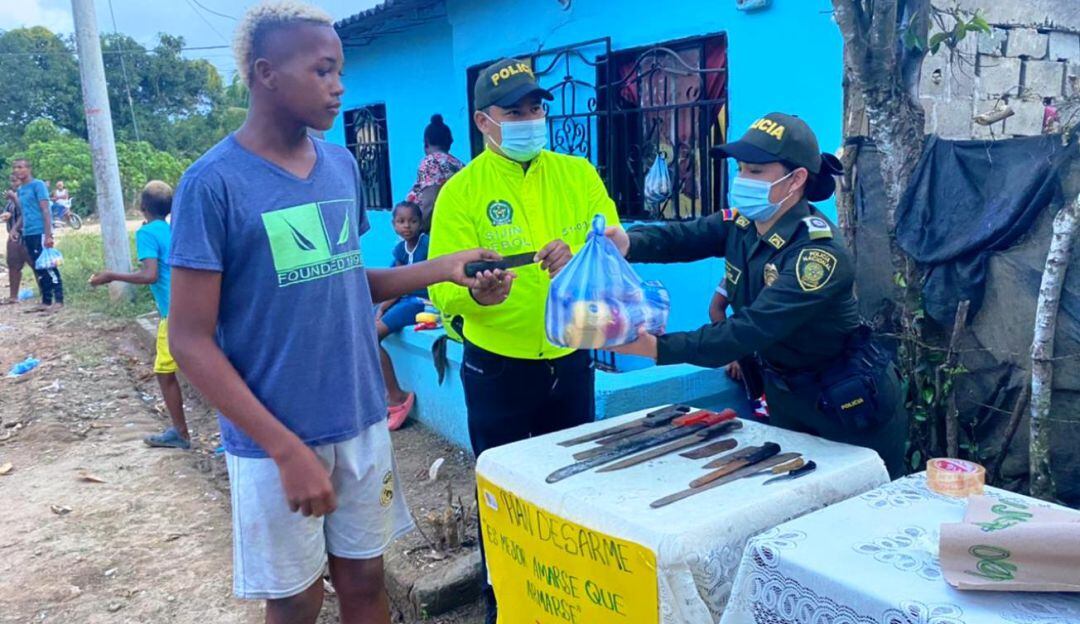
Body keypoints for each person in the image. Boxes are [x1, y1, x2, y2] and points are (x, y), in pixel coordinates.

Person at [166, 5, 500, 623]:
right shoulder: (212, 184)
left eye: (339, 70)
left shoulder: (341, 165)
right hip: (275, 438)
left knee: (366, 581)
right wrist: (284, 449)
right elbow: (188, 339)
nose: (338, 85)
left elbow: (343, 279)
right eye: (322, 70)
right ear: (266, 73)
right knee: (294, 600)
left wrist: (441, 266)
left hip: (359, 416)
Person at [427, 57, 622, 624]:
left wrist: (582, 246)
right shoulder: (462, 192)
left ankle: (570, 600)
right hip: (498, 368)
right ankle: (505, 602)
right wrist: (476, 297)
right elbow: (443, 285)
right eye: (515, 112)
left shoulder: (576, 172)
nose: (530, 119)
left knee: (571, 486)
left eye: (536, 108)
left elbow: (616, 236)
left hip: (571, 356)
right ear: (484, 121)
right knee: (503, 493)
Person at [605, 112, 907, 479]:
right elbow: (682, 237)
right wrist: (628, 243)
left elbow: (747, 331)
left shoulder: (817, 256)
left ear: (795, 180)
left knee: (859, 510)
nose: (742, 180)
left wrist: (655, 347)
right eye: (741, 169)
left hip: (846, 403)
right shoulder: (743, 223)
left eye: (755, 171)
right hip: (786, 395)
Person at [90, 181, 190, 449]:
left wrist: (111, 275)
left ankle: (180, 433)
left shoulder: (146, 234)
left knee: (164, 372)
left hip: (174, 314)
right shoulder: (172, 230)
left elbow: (150, 275)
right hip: (190, 307)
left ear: (141, 207)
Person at [375, 200, 428, 430]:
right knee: (365, 324)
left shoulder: (428, 244)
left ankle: (396, 397)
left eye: (413, 221)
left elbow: (403, 287)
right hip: (405, 299)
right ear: (394, 224)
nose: (407, 226)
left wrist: (385, 306)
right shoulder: (399, 250)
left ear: (421, 223)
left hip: (420, 302)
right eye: (401, 221)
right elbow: (394, 280)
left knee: (369, 338)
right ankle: (380, 394)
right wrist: (383, 305)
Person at [12, 159, 63, 310]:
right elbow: (24, 212)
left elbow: (45, 210)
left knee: (49, 266)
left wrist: (48, 235)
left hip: (40, 231)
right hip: (28, 232)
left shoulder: (38, 185)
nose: (17, 170)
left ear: (28, 168)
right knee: (38, 267)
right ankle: (46, 301)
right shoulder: (21, 190)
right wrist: (16, 229)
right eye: (15, 168)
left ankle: (58, 301)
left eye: (20, 167)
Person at [405, 113, 464, 231]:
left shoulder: (430, 162)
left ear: (426, 143)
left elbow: (429, 201)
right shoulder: (459, 165)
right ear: (450, 142)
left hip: (433, 230)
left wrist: (415, 232)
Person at [2, 174, 30, 304]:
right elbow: (11, 212)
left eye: (16, 180)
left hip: (27, 234)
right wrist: (6, 215)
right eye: (12, 181)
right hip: (14, 235)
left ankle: (45, 294)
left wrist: (14, 198)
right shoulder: (11, 199)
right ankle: (13, 296)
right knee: (13, 264)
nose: (13, 183)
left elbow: (27, 212)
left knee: (35, 264)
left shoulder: (27, 194)